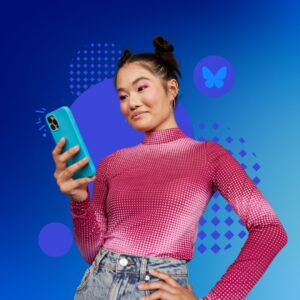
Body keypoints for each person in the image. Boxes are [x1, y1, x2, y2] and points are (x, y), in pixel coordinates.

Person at [52, 36, 288, 300]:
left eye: (141, 88)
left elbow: (269, 229)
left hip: (154, 291)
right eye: (123, 95)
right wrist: (79, 200)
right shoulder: (111, 163)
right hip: (96, 287)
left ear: (171, 88)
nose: (131, 102)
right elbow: (92, 253)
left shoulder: (208, 155)